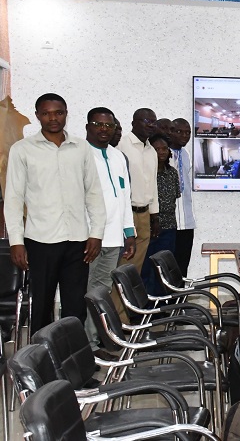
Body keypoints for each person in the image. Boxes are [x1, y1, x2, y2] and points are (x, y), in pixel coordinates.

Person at [4, 93, 106, 333]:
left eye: (58, 112)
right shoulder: (23, 150)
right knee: (41, 305)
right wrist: (16, 242)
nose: (53, 118)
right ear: (38, 115)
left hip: (77, 240)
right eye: (47, 113)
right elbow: (13, 199)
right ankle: (42, 364)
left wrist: (96, 233)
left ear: (66, 114)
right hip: (41, 240)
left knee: (75, 307)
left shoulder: (80, 147)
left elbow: (93, 193)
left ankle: (73, 363)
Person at [84, 107, 135, 353]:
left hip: (114, 237)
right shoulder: (81, 155)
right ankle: (82, 345)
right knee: (82, 291)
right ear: (87, 126)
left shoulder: (117, 157)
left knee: (100, 291)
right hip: (87, 238)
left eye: (109, 125)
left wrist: (129, 232)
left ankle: (94, 342)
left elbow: (124, 196)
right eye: (98, 124)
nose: (104, 129)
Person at [117, 108, 159, 274]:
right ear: (134, 123)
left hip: (144, 214)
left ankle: (128, 300)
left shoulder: (152, 151)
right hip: (126, 214)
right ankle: (112, 300)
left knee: (135, 267)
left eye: (153, 122)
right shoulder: (122, 145)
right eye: (146, 121)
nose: (151, 125)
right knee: (121, 263)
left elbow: (152, 184)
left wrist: (155, 217)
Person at [139, 133, 181, 295]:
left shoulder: (172, 173)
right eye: (157, 149)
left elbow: (175, 196)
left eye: (164, 148)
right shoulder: (144, 173)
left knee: (164, 269)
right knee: (146, 268)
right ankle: (145, 307)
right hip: (148, 227)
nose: (161, 152)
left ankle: (162, 307)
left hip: (169, 226)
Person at [170, 118, 196, 277]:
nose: (184, 136)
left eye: (188, 132)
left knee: (182, 268)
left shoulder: (185, 154)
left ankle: (181, 301)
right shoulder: (161, 154)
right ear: (170, 132)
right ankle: (167, 302)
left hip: (186, 222)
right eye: (179, 131)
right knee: (167, 269)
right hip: (170, 224)